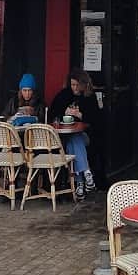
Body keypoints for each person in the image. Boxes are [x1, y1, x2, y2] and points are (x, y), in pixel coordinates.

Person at [50, 71, 99, 199]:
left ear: (83, 84)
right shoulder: (64, 95)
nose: (75, 88)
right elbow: (53, 111)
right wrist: (64, 111)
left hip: (86, 136)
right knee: (73, 141)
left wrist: (80, 115)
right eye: (72, 85)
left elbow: (96, 119)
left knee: (75, 138)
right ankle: (84, 177)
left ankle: (81, 182)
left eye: (77, 85)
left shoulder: (90, 97)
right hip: (64, 136)